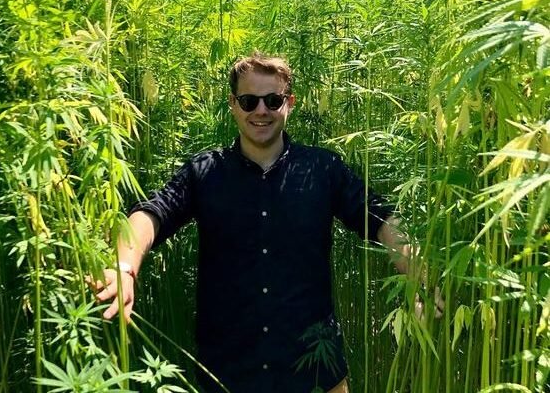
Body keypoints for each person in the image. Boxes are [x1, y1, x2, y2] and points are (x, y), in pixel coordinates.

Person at [93, 52, 414, 393]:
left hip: (316, 373)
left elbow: (378, 217)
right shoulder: (205, 172)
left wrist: (417, 270)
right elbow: (151, 214)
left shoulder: (322, 169)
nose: (261, 111)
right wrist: (124, 266)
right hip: (228, 373)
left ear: (289, 103)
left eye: (272, 100)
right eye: (249, 101)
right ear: (233, 104)